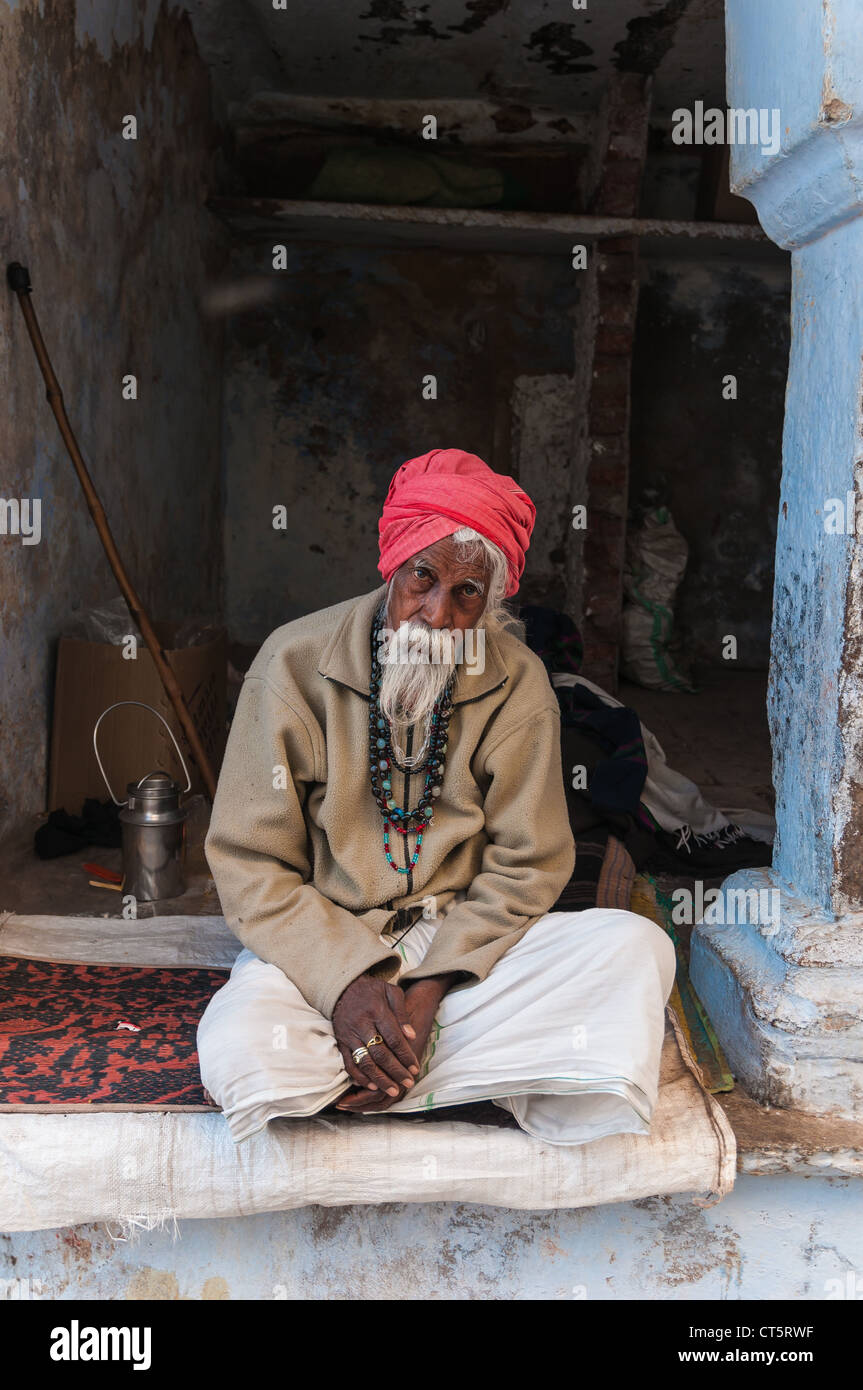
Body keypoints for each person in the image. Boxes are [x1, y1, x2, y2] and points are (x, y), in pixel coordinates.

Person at [197, 447, 675, 1144]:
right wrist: (347, 983)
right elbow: (250, 863)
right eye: (422, 577)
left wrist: (426, 995)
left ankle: (386, 1068)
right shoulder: (291, 663)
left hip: (466, 955)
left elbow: (527, 864)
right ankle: (459, 1078)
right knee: (247, 1052)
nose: (436, 614)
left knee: (635, 949)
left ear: (491, 600)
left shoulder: (518, 682)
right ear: (392, 564)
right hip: (326, 939)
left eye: (465, 594)